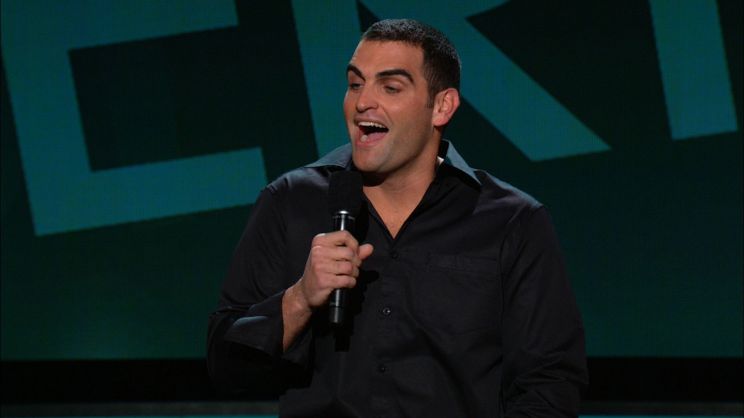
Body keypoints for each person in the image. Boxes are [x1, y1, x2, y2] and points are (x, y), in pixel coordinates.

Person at [208, 18, 587, 417]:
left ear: (441, 106)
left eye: (390, 87)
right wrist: (300, 298)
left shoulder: (511, 221)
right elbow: (225, 365)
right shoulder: (291, 202)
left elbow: (550, 383)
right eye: (355, 84)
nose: (362, 102)